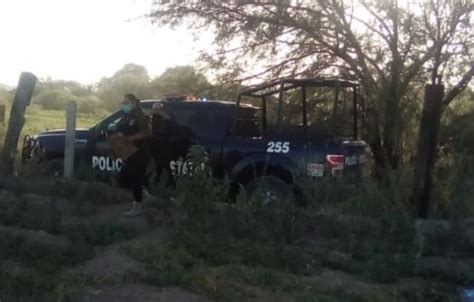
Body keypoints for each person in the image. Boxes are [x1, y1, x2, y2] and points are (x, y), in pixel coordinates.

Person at [115, 93, 151, 216]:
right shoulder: (126, 115)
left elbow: (146, 132)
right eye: (123, 102)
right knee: (124, 179)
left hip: (139, 151)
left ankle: (138, 206)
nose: (124, 105)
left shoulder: (140, 115)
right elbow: (122, 128)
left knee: (135, 178)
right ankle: (144, 195)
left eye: (126, 102)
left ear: (134, 103)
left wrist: (131, 138)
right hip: (129, 152)